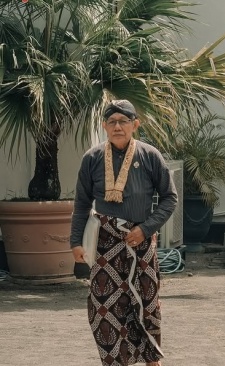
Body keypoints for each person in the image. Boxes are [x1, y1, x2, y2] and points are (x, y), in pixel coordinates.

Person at [70, 100, 178, 366]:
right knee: (104, 305)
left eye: (124, 121)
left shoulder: (150, 155)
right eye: (112, 122)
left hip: (140, 241)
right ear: (104, 126)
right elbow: (82, 203)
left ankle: (152, 358)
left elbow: (169, 198)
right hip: (104, 243)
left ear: (135, 125)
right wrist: (75, 241)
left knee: (147, 301)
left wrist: (146, 229)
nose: (118, 126)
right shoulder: (92, 158)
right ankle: (116, 360)